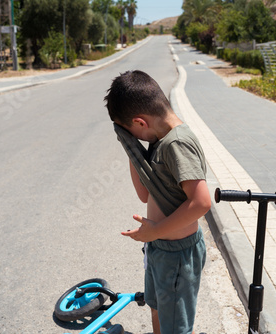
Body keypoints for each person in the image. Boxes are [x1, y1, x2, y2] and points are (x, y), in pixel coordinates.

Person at [104, 70, 212, 334]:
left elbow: (201, 203)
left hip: (176, 254)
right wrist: (132, 150)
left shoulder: (176, 144)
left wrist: (154, 232)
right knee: (159, 311)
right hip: (160, 248)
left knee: (176, 327)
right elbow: (145, 194)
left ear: (141, 122)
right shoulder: (158, 140)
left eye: (131, 131)